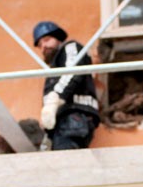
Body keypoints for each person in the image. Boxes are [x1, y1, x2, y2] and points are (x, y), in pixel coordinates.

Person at [33, 21, 100, 150]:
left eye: (47, 40)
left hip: (72, 116)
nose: (43, 46)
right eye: (40, 45)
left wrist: (54, 99)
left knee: (66, 156)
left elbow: (72, 72)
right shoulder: (56, 66)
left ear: (58, 38)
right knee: (67, 157)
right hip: (68, 120)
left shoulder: (70, 47)